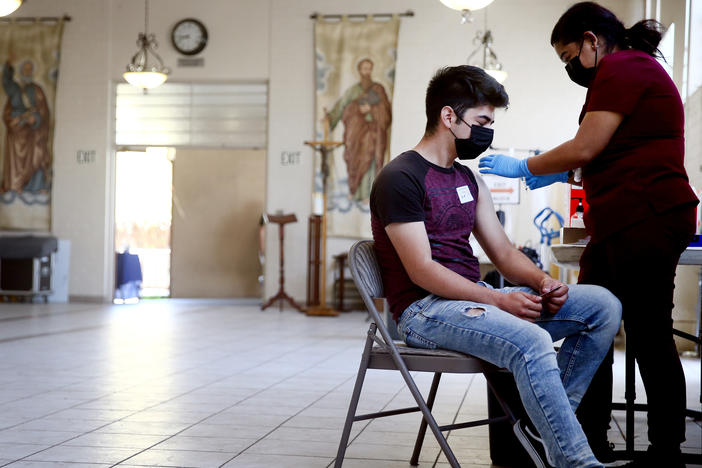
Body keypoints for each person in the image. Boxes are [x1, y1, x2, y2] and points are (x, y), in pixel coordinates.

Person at [477, 3, 699, 466]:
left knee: (646, 331)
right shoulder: (622, 72)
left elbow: (587, 145)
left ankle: (664, 450)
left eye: (568, 56)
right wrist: (564, 174)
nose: (569, 68)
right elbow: (605, 155)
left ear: (592, 41)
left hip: (646, 217)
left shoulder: (624, 66)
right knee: (595, 319)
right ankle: (589, 438)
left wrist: (525, 166)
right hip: (628, 219)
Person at [370, 64, 622, 468]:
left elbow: (503, 253)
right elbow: (421, 270)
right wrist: (497, 301)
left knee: (602, 305)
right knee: (531, 340)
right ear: (448, 116)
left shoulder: (468, 179)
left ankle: (546, 425)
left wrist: (543, 281)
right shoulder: (400, 178)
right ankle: (575, 461)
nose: (488, 132)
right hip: (423, 311)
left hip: (472, 301)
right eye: (482, 121)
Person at [325, 58, 392, 201]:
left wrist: (372, 109)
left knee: (370, 160)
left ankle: (369, 194)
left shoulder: (378, 89)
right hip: (357, 133)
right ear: (359, 71)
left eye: (369, 68)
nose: (366, 72)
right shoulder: (353, 91)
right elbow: (342, 106)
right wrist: (330, 118)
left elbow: (386, 111)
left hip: (374, 133)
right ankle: (355, 192)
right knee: (355, 159)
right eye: (364, 69)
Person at [1, 58, 51, 194]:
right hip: (16, 134)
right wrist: (18, 120)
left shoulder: (37, 90)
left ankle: (35, 186)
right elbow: (7, 114)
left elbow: (44, 114)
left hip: (33, 136)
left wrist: (35, 119)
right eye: (25, 69)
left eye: (30, 69)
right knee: (14, 160)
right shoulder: (15, 91)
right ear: (21, 71)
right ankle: (13, 186)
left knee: (37, 153)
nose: (27, 72)